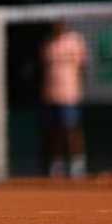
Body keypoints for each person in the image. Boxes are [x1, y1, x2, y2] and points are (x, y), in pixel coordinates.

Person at [41, 22, 89, 178]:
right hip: (51, 96)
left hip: (70, 96)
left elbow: (83, 67)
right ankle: (57, 166)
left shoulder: (75, 41)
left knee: (72, 129)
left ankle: (77, 166)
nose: (58, 25)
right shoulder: (48, 43)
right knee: (54, 132)